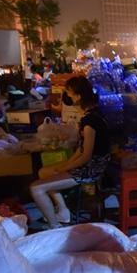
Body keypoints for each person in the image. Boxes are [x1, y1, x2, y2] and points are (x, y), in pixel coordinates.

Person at [30, 76, 111, 228]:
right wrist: (66, 164)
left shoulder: (90, 122)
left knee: (36, 188)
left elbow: (86, 156)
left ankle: (55, 228)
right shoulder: (92, 113)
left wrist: (65, 168)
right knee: (43, 172)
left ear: (79, 96)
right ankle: (63, 211)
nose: (68, 97)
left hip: (91, 169)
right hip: (91, 164)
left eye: (70, 93)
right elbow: (81, 149)